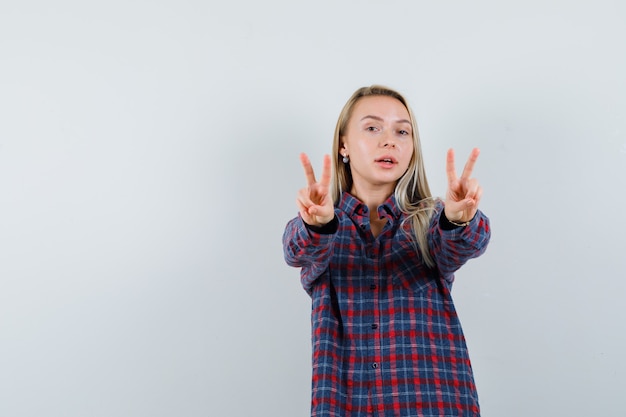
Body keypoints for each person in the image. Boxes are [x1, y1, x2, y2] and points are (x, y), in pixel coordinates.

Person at [282, 85, 491, 416]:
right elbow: (297, 250)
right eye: (372, 127)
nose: (390, 140)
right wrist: (320, 225)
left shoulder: (431, 219)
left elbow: (463, 246)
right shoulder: (321, 225)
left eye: (402, 131)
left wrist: (457, 220)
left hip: (435, 403)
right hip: (346, 403)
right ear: (343, 145)